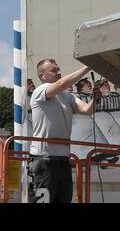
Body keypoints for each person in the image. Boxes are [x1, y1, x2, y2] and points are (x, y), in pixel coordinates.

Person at [29, 58, 93, 203]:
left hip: (63, 159)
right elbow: (63, 83)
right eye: (53, 70)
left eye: (58, 69)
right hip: (43, 158)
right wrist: (87, 67)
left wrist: (96, 97)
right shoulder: (40, 90)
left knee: (64, 198)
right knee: (42, 200)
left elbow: (87, 110)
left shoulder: (67, 95)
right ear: (42, 76)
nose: (58, 72)